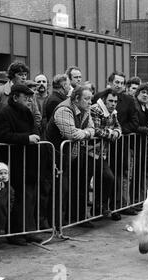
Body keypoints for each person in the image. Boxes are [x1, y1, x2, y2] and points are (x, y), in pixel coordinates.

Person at [0, 84, 43, 245]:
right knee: (18, 198)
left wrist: (34, 135)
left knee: (30, 197)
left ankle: (28, 230)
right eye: (26, 98)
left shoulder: (27, 112)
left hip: (29, 161)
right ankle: (15, 233)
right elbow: (3, 135)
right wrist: (26, 138)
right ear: (15, 97)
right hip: (15, 161)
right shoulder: (4, 113)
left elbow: (35, 128)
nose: (29, 101)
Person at [46, 86, 95, 228]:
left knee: (69, 188)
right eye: (86, 99)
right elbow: (71, 134)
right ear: (76, 99)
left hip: (70, 156)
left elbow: (92, 129)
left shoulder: (85, 109)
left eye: (90, 99)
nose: (90, 102)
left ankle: (64, 221)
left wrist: (85, 133)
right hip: (54, 155)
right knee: (58, 190)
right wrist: (84, 133)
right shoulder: (64, 109)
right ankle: (54, 223)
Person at [89, 88, 122, 221]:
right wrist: (111, 134)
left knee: (106, 178)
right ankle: (91, 211)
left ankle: (98, 209)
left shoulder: (113, 112)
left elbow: (119, 127)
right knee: (102, 178)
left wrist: (116, 133)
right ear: (104, 100)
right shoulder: (96, 109)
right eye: (110, 101)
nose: (113, 104)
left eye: (115, 101)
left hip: (102, 153)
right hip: (90, 151)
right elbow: (96, 131)